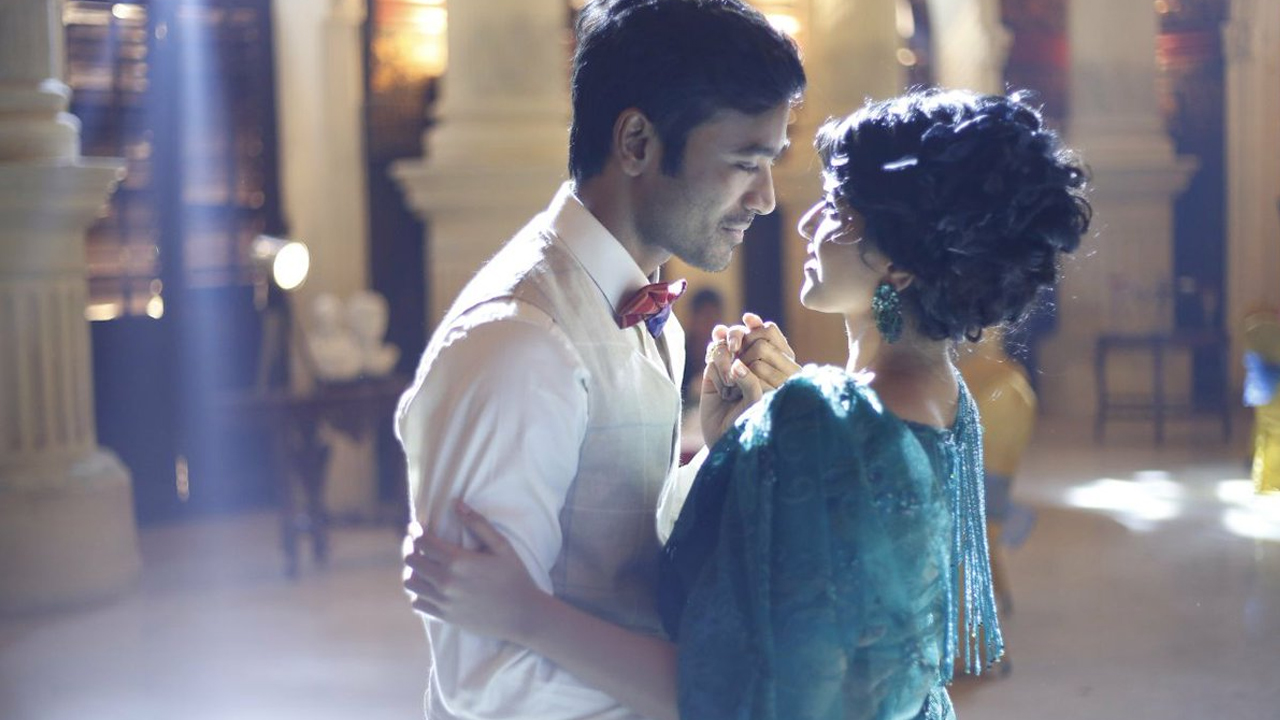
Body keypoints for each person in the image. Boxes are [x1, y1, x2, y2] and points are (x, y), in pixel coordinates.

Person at [405, 88, 1091, 720]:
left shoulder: (823, 416)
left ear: (901, 263)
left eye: (839, 210)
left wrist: (524, 614)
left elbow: (733, 695)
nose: (806, 221)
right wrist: (735, 444)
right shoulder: (949, 398)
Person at [394, 1, 805, 719]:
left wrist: (719, 453)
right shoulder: (519, 345)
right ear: (637, 142)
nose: (766, 200)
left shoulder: (643, 307)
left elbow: (625, 545)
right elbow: (487, 678)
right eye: (745, 163)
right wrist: (713, 687)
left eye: (771, 164)